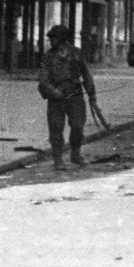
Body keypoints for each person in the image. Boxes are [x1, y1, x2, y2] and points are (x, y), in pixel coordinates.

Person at [38, 24, 97, 171]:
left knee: (78, 126)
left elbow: (86, 74)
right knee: (56, 129)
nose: (51, 41)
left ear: (63, 38)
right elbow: (43, 80)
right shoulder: (48, 57)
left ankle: (75, 154)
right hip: (56, 96)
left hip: (75, 94)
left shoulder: (76, 53)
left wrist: (92, 94)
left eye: (54, 38)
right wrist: (53, 92)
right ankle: (58, 159)